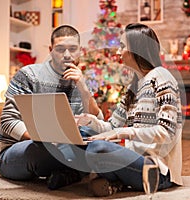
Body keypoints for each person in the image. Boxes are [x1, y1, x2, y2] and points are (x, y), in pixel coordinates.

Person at [76, 23, 183, 197]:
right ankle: (116, 180)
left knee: (98, 149)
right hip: (132, 158)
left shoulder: (162, 77)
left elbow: (166, 132)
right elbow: (111, 127)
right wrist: (89, 120)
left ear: (138, 49)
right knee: (82, 133)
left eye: (122, 47)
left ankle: (111, 179)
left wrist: (124, 133)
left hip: (158, 169)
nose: (118, 52)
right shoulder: (132, 87)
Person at [0, 25, 103, 190]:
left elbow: (97, 123)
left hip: (63, 148)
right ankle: (75, 171)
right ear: (51, 50)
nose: (67, 55)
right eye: (60, 49)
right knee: (45, 151)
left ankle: (67, 172)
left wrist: (84, 88)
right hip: (21, 150)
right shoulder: (28, 75)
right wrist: (45, 138)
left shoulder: (82, 80)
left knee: (101, 147)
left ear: (80, 51)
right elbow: (8, 121)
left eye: (73, 49)